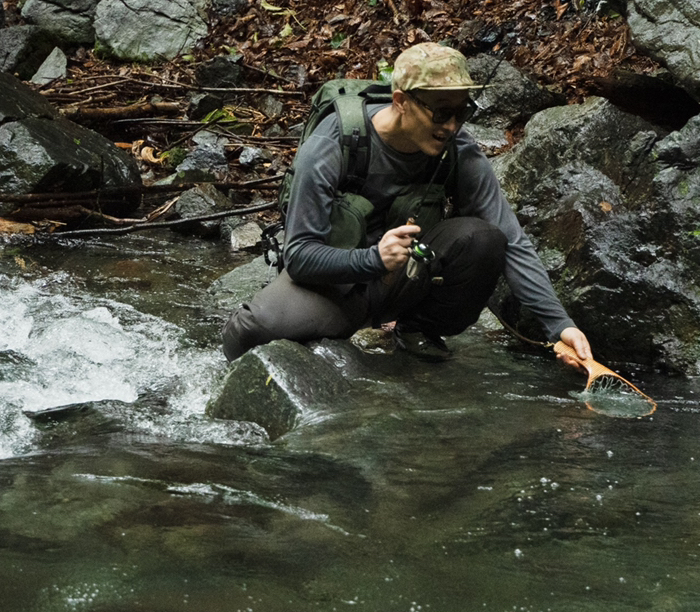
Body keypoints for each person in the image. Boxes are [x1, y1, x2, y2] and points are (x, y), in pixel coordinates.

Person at [221, 41, 593, 370]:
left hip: (406, 280)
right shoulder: (333, 143)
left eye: (462, 113)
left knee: (485, 238)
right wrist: (372, 260)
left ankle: (417, 331)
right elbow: (300, 256)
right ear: (401, 102)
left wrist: (560, 326)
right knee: (252, 330)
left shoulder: (457, 150)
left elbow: (512, 240)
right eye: (440, 112)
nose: (451, 126)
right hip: (334, 283)